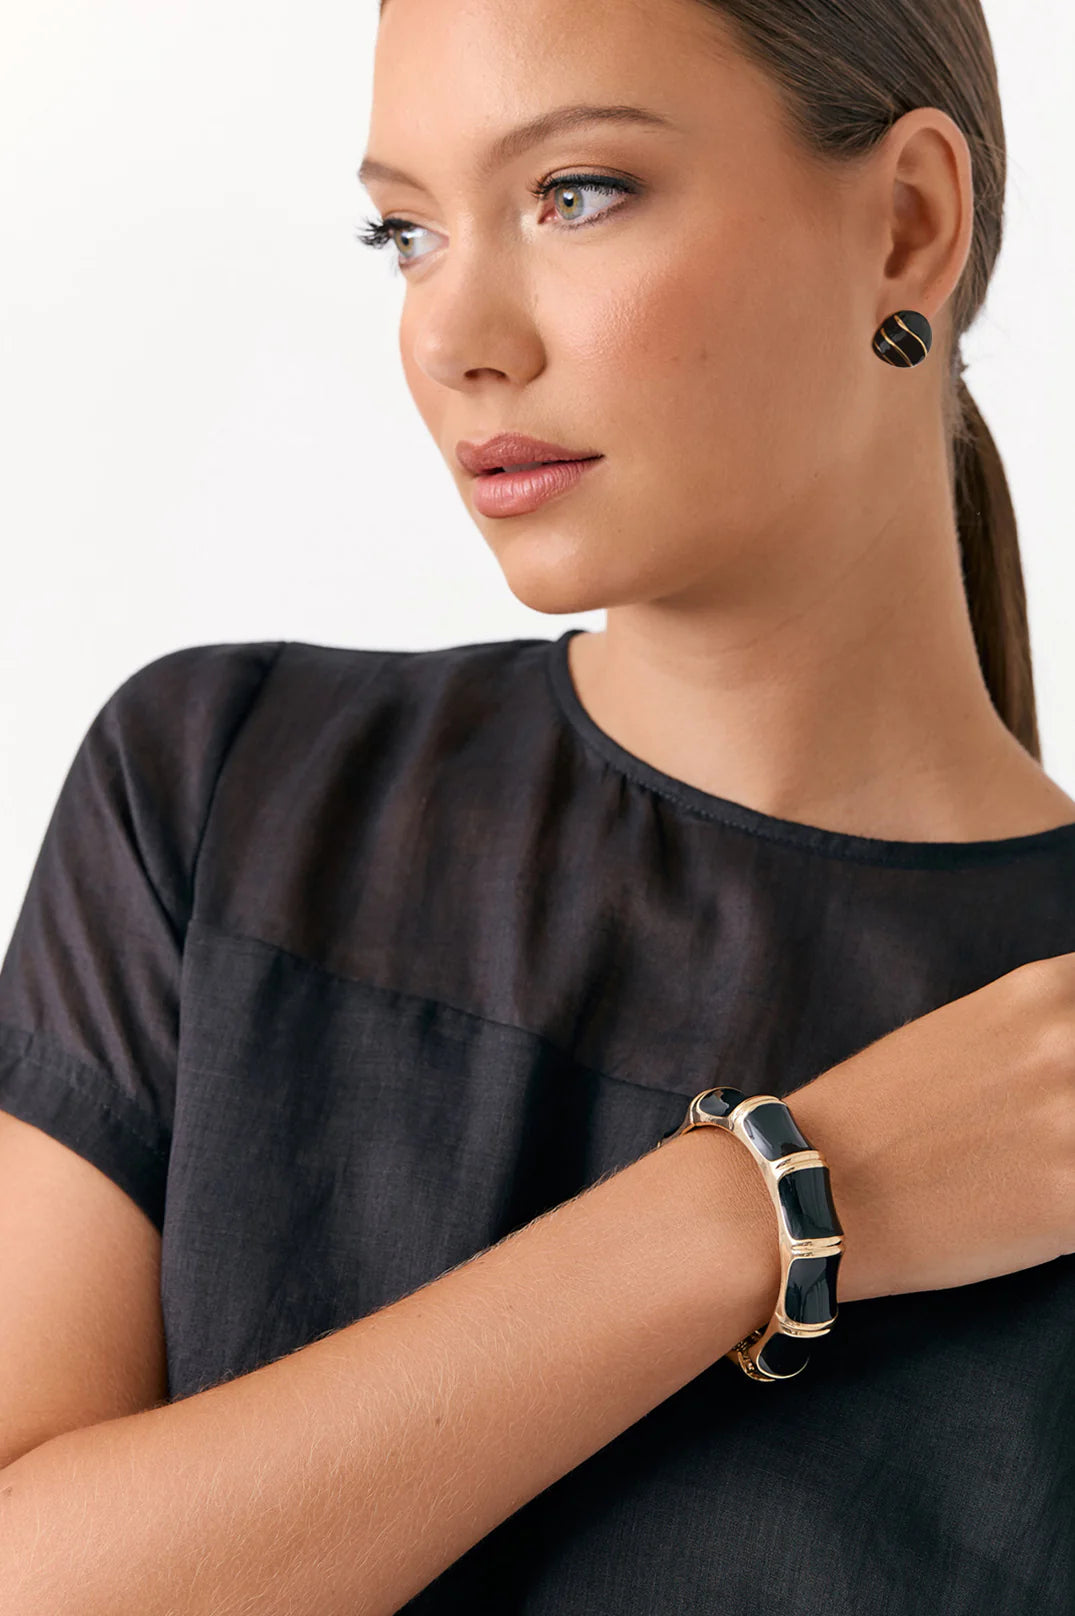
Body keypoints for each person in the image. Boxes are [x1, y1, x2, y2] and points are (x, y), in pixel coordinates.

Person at [0, 0, 1072, 1610]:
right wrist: (779, 1199)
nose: (453, 334)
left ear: (908, 223)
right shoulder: (228, 790)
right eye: (408, 232)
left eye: (577, 193)